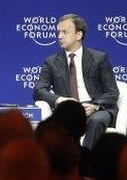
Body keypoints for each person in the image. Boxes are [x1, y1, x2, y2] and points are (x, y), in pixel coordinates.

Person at [33, 14, 119, 150]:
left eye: (65, 32)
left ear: (78, 35)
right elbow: (39, 90)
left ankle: (86, 159)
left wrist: (95, 106)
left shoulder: (99, 58)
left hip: (96, 110)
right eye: (58, 32)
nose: (59, 36)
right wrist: (60, 100)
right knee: (62, 122)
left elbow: (112, 92)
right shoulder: (51, 62)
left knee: (96, 121)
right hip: (68, 110)